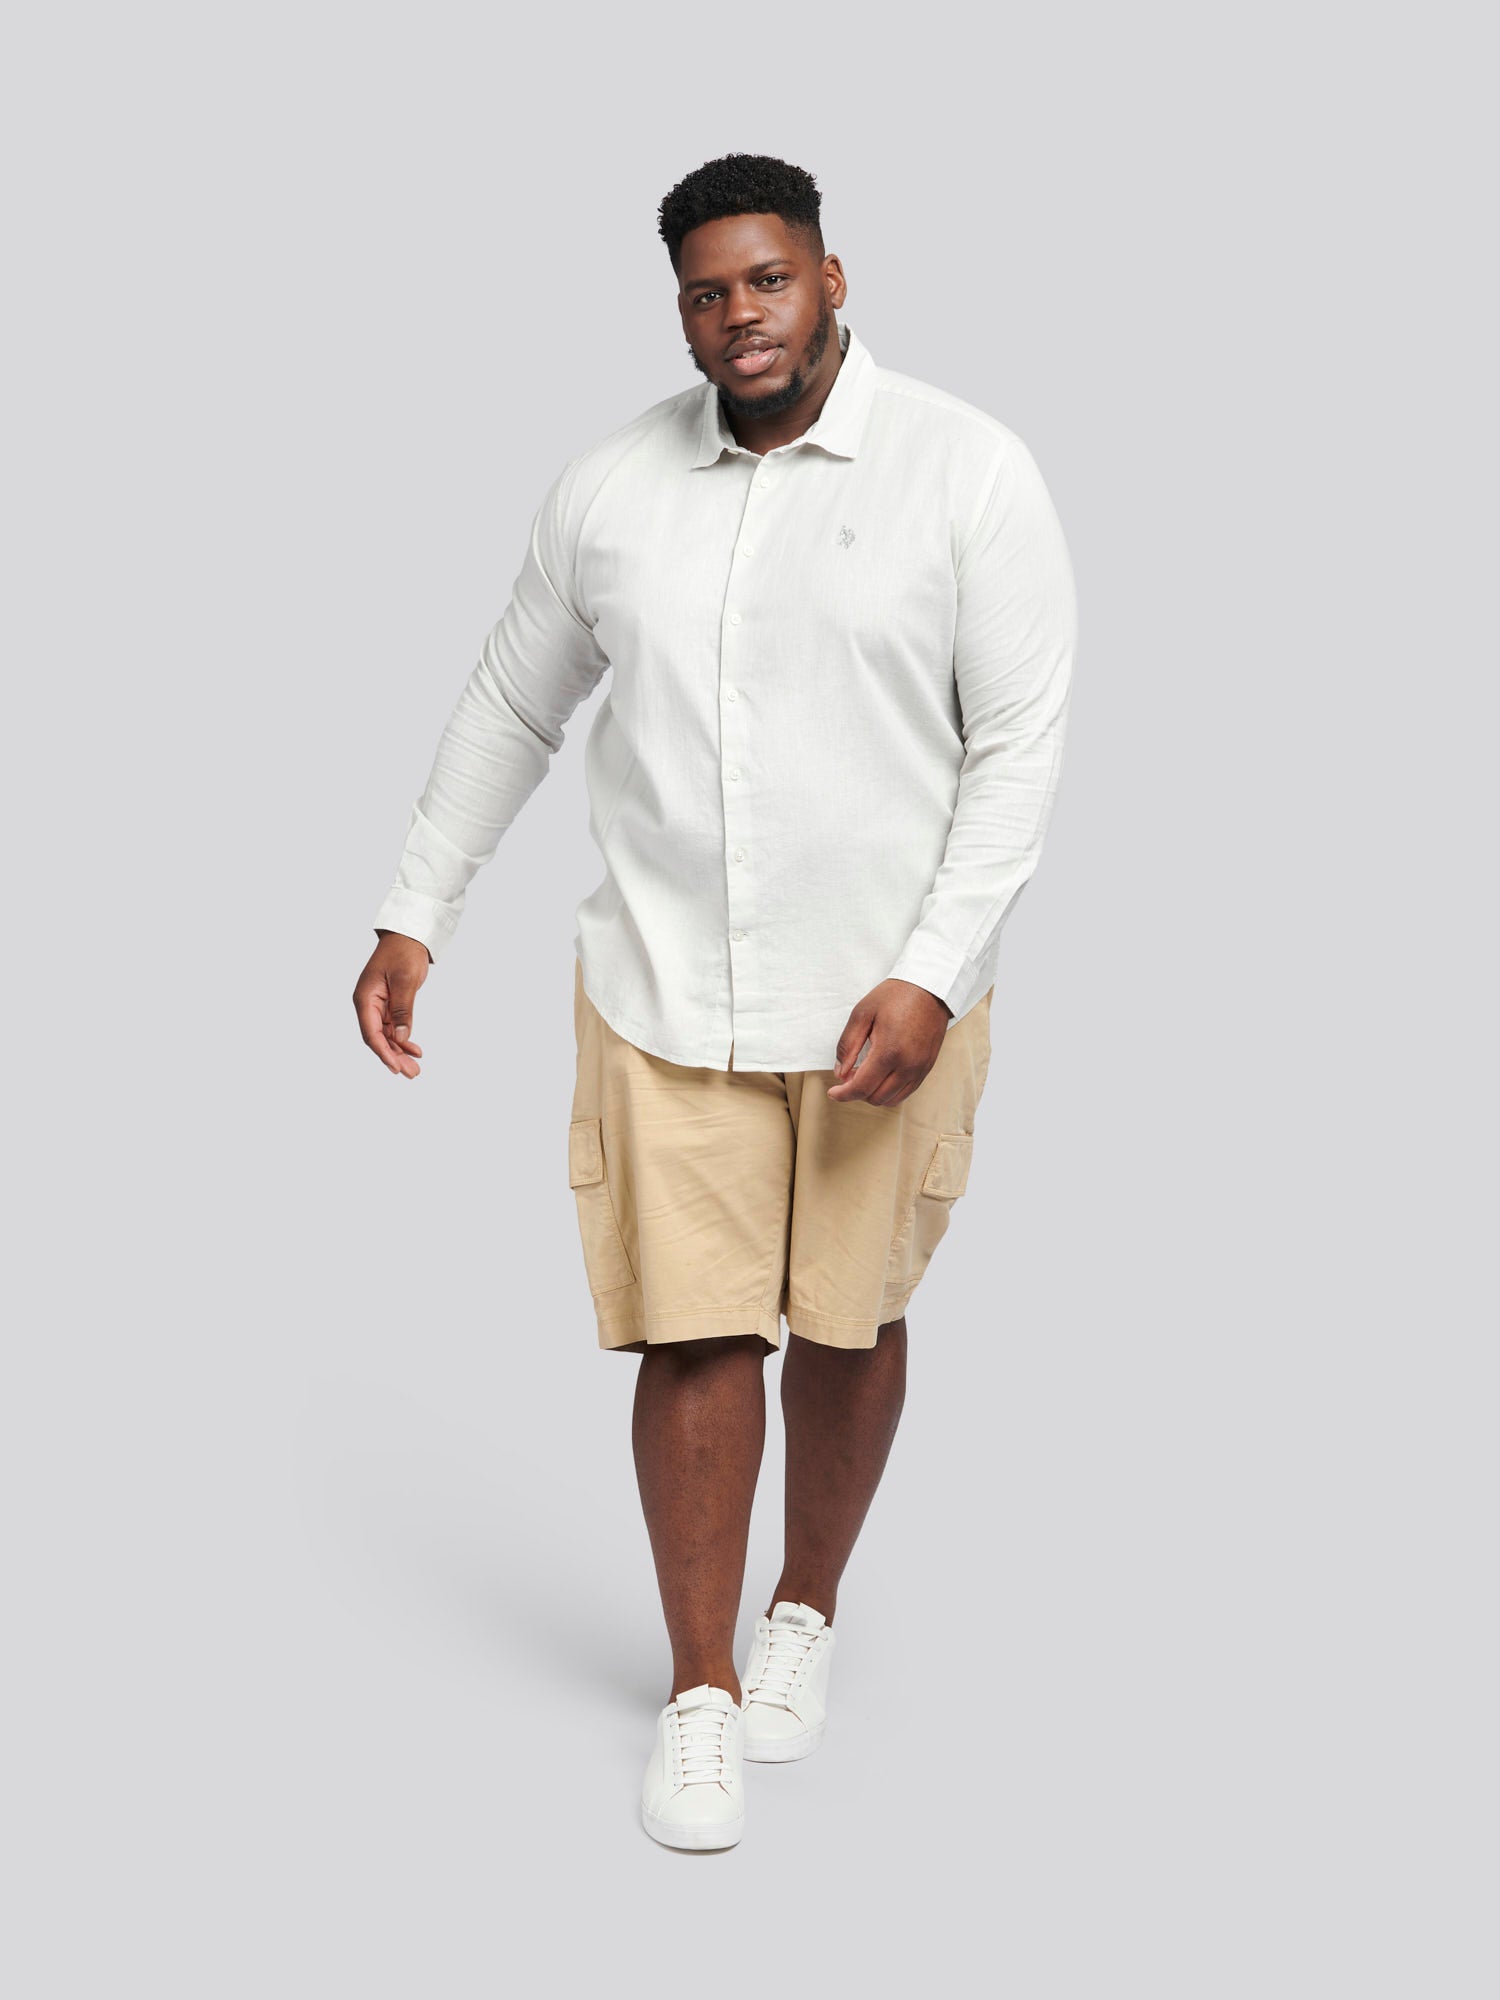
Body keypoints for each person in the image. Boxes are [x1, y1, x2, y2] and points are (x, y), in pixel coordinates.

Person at [353, 152, 1078, 1852]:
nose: (739, 314)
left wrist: (934, 969)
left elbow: (1018, 748)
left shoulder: (968, 471)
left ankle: (802, 1608)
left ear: (832, 278)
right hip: (663, 987)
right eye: (706, 291)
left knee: (848, 1319)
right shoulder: (611, 488)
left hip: (884, 1003)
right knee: (693, 1333)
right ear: (678, 309)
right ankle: (699, 1692)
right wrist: (414, 910)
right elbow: (511, 704)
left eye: (768, 279)